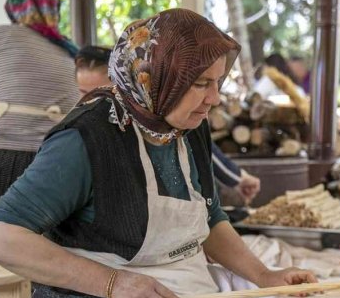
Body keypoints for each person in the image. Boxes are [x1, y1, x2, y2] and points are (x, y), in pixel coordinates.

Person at [0, 9, 316, 298]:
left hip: (186, 288)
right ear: (159, 76)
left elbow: (209, 216)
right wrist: (115, 283)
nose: (214, 98)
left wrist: (264, 277)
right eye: (200, 84)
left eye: (218, 82)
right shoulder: (86, 139)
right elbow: (0, 239)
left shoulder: (188, 126)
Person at [74, 44, 261, 205]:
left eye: (105, 93)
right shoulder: (76, 141)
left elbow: (198, 145)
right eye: (84, 93)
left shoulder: (153, 123)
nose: (93, 103)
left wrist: (237, 177)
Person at [0, 0, 79, 219]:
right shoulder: (69, 49)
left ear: (16, 10)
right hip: (64, 156)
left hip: (9, 154)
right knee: (54, 231)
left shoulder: (3, 34)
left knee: (6, 230)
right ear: (54, 8)